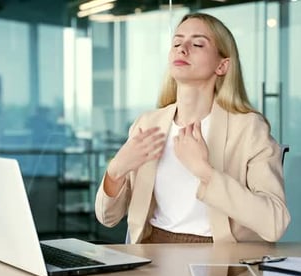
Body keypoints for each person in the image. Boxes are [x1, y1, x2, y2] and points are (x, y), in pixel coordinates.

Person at [94, 12, 290, 244]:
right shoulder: (147, 124)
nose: (182, 48)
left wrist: (204, 171)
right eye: (176, 42)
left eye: (197, 43)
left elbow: (275, 222)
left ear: (222, 65)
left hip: (221, 258)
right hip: (151, 251)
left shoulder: (249, 129)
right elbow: (108, 218)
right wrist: (116, 170)